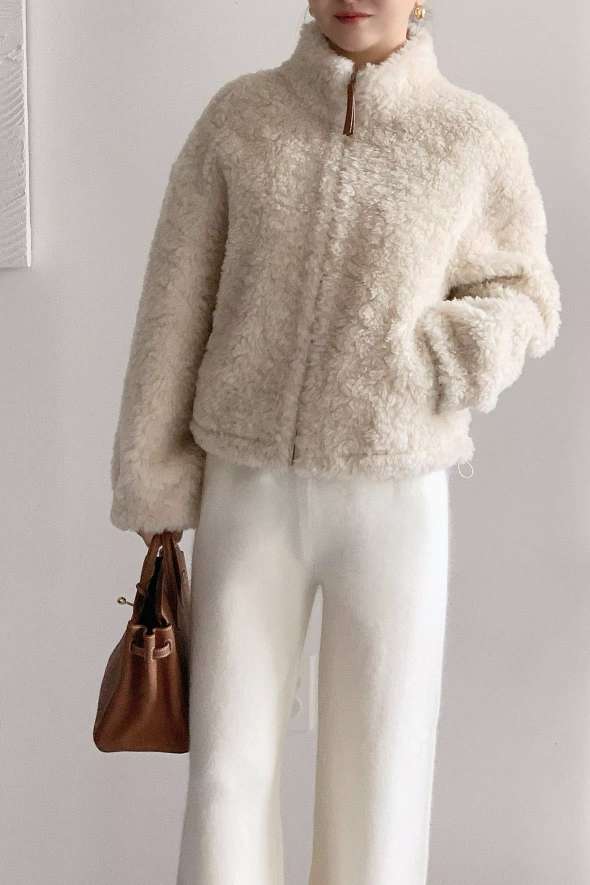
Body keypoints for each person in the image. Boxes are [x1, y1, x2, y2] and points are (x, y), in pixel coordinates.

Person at [109, 2, 561, 883]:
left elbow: (525, 291)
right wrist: (156, 476)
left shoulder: (473, 136)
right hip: (248, 485)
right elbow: (174, 303)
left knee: (380, 775)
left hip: (393, 494)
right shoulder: (240, 119)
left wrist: (440, 358)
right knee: (226, 772)